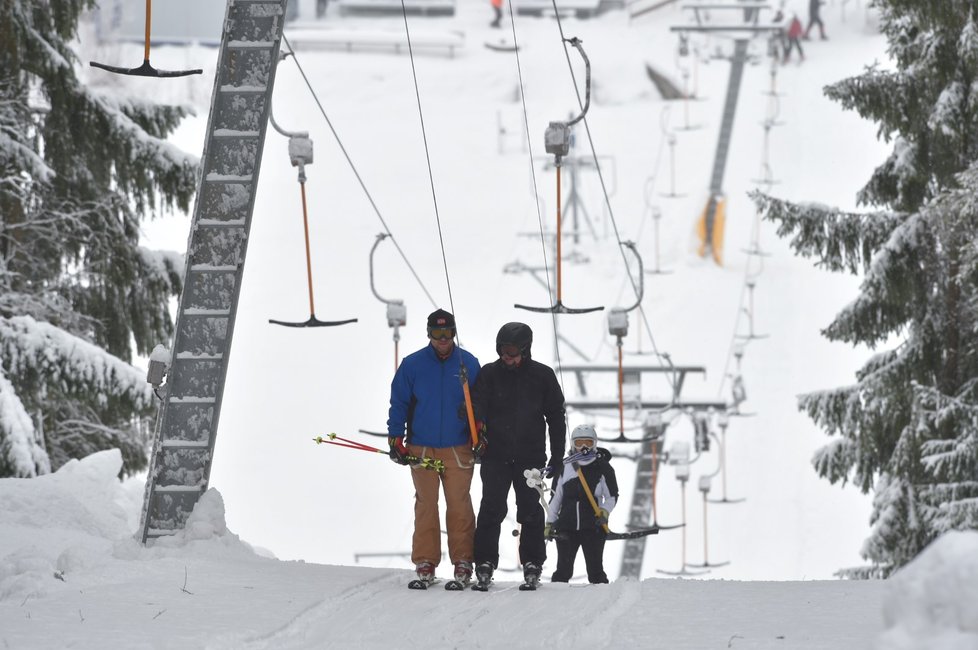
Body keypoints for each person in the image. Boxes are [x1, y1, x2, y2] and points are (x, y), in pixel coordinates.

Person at [387, 309, 481, 585]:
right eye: (438, 334)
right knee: (426, 504)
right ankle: (425, 562)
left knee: (459, 504)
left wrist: (482, 435)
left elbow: (482, 404)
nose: (443, 339)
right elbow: (399, 402)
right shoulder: (413, 365)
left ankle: (463, 561)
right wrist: (396, 438)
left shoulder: (468, 364)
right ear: (428, 334)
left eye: (448, 333)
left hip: (458, 447)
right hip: (422, 448)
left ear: (454, 333)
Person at [471, 322, 566, 587]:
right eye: (502, 351)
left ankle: (533, 561)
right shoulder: (490, 374)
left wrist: (557, 457)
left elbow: (556, 418)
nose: (507, 357)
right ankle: (485, 561)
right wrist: (473, 418)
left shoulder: (542, 376)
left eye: (512, 352)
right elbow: (477, 403)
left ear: (526, 349)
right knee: (491, 508)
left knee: (530, 510)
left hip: (530, 457)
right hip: (495, 455)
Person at [546, 424, 619, 584]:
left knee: (595, 571)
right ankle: (553, 603)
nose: (584, 447)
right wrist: (550, 523)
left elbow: (612, 496)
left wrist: (604, 511)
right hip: (566, 527)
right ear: (573, 444)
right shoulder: (565, 467)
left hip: (593, 527)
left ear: (595, 443)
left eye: (588, 442)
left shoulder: (603, 467)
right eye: (579, 443)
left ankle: (603, 603)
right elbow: (556, 498)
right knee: (563, 571)